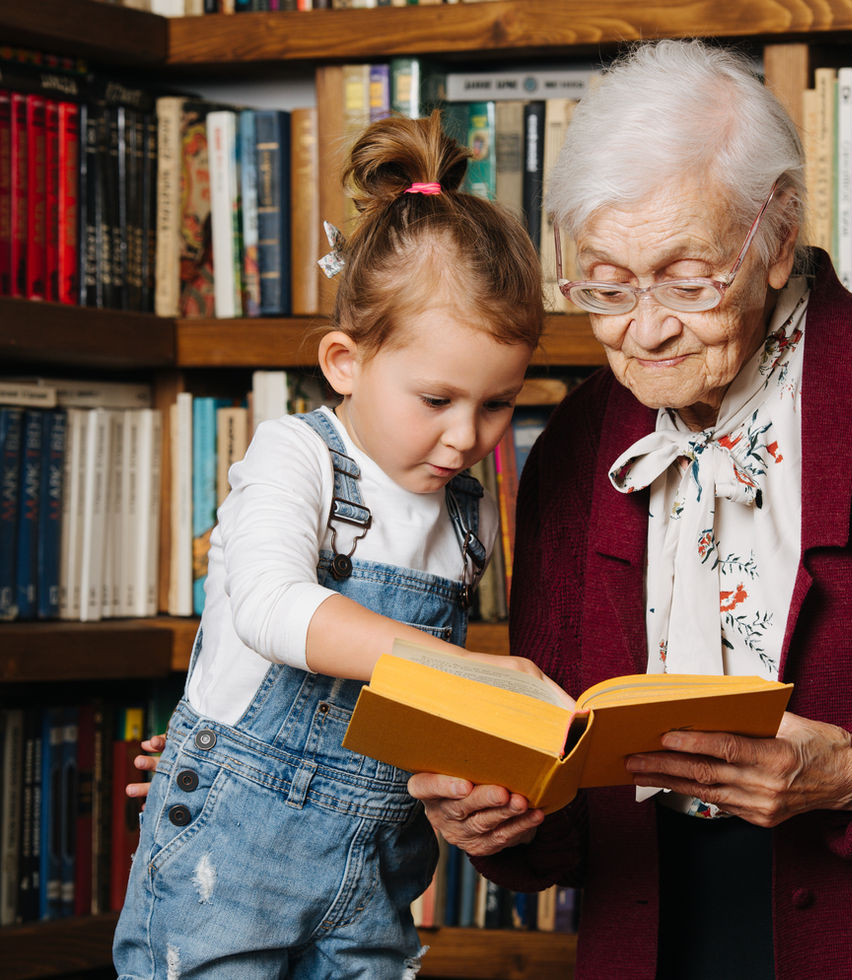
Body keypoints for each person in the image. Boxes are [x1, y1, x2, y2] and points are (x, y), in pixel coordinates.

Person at [407, 39, 852, 980]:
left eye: (688, 279)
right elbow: (557, 838)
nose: (646, 327)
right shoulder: (574, 448)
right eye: (606, 284)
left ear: (777, 236)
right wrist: (496, 821)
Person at [112, 111, 572, 980]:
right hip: (229, 869)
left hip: (375, 876)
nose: (467, 436)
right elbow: (271, 611)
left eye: (499, 404)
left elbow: (406, 716)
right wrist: (465, 671)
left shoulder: (466, 513)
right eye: (436, 400)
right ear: (344, 361)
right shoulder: (299, 456)